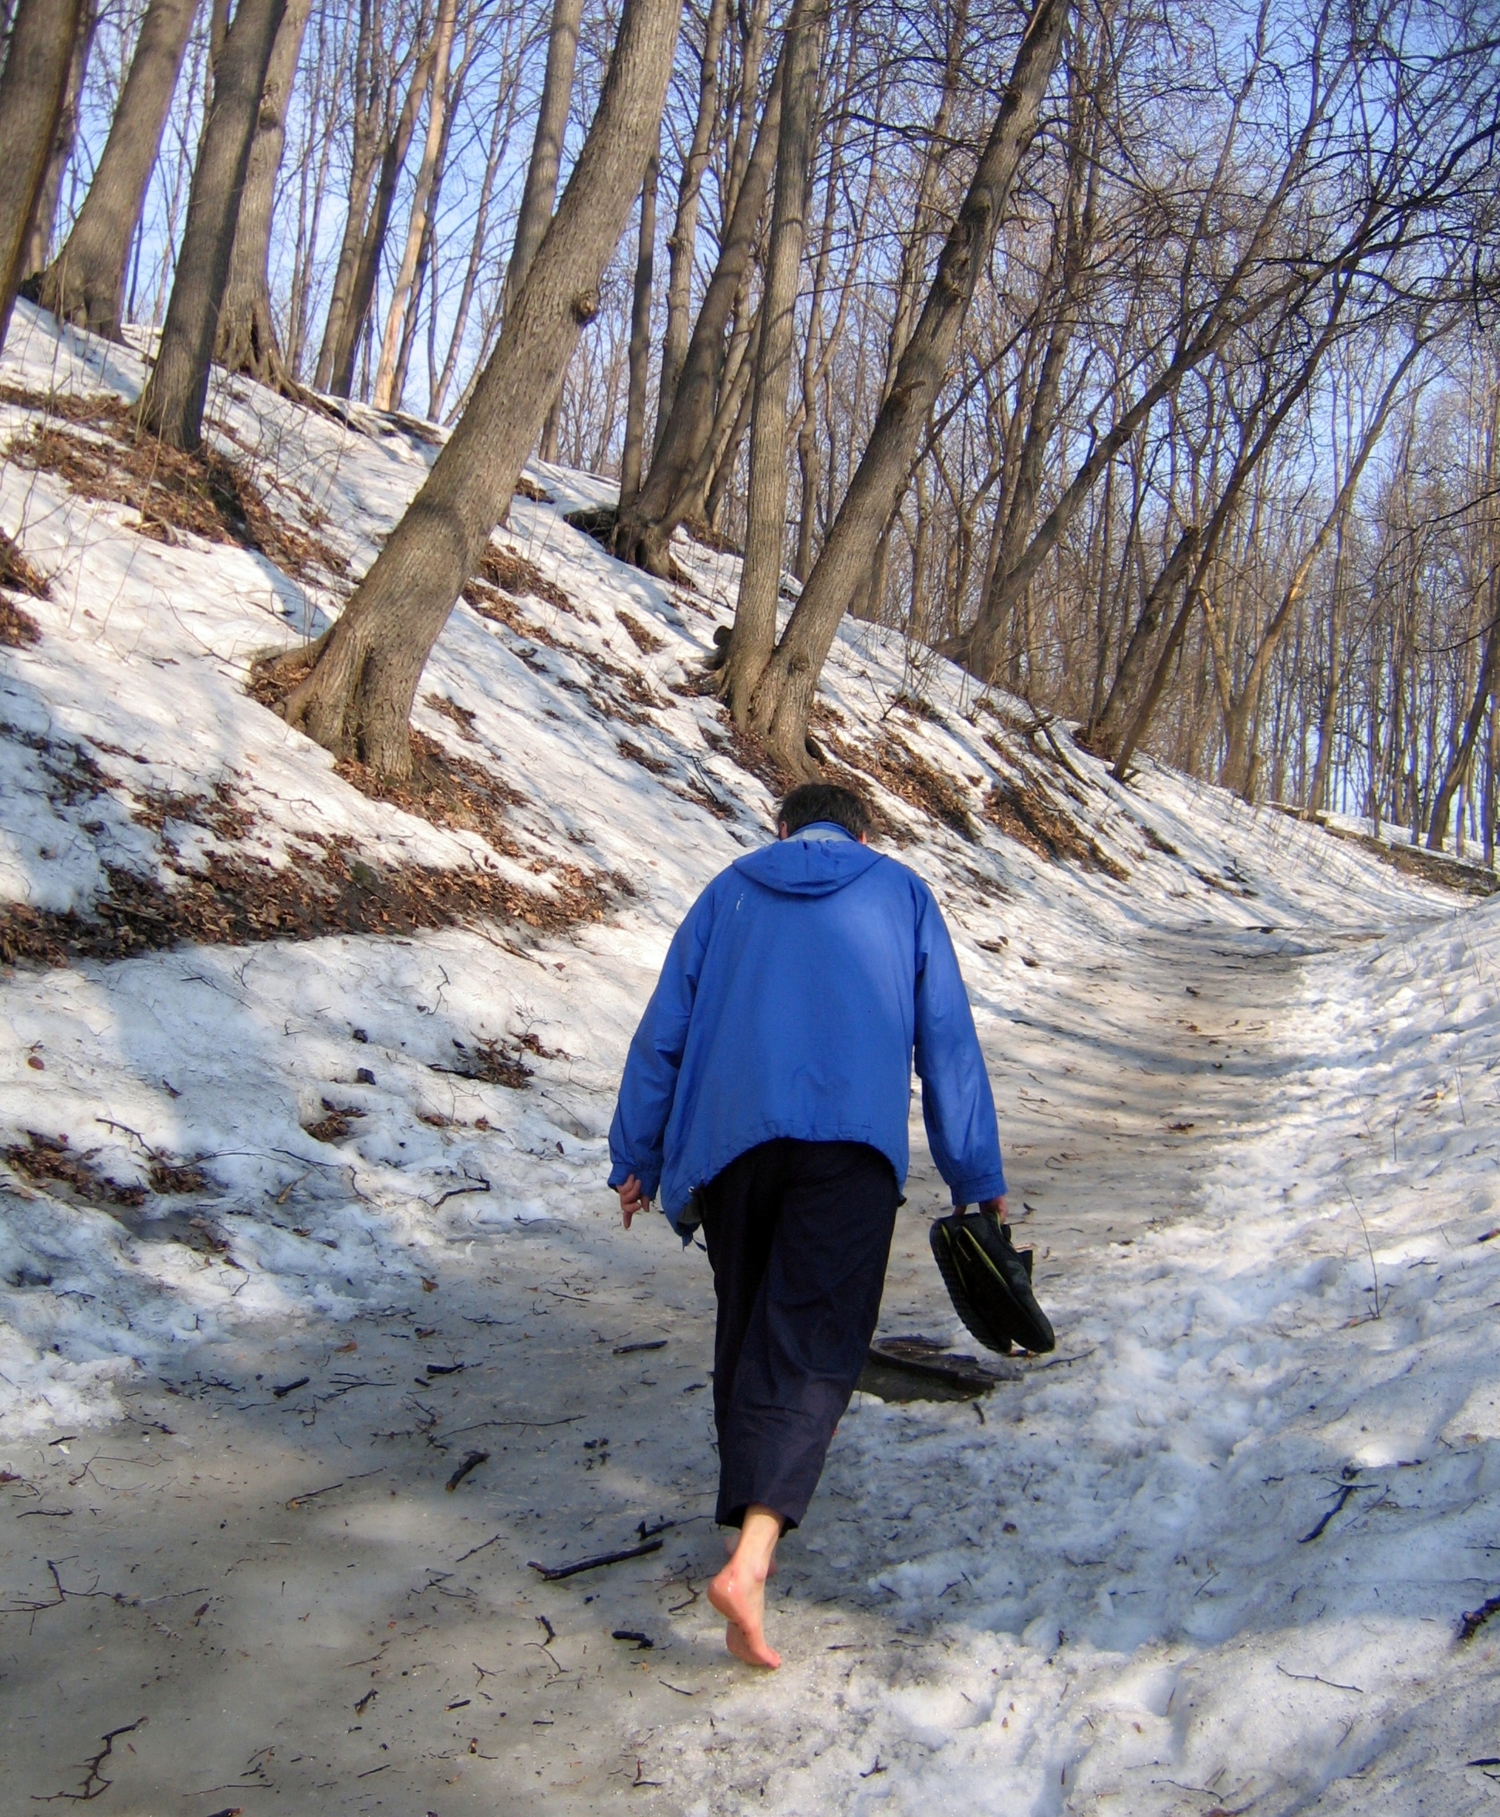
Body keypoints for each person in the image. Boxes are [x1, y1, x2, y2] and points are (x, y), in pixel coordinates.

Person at [608, 781, 1006, 1668]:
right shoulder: (899, 891)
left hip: (732, 1147)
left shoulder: (732, 888)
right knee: (813, 1334)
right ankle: (752, 1555)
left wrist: (636, 1154)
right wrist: (975, 1173)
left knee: (749, 1323)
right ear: (862, 831)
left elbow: (663, 1031)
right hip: (849, 1149)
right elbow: (945, 1040)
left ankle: (744, 1522)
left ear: (781, 828)